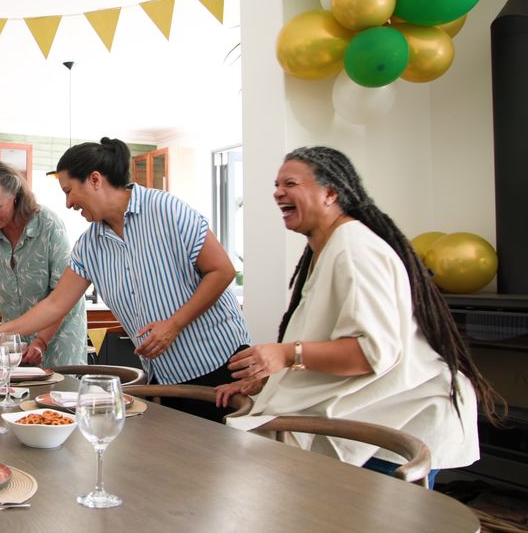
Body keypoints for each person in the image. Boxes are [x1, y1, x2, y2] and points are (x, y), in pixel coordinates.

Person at [215, 146, 502, 487]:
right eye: (276, 184)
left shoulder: (353, 247)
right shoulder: (328, 247)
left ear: (330, 193)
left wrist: (286, 354)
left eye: (290, 183)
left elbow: (369, 353)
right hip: (375, 419)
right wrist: (268, 381)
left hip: (397, 427)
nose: (277, 192)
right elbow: (331, 338)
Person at [0, 138, 250, 421]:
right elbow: (55, 304)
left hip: (220, 362)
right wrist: (0, 332)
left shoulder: (166, 209)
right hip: (167, 375)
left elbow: (222, 270)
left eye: (69, 191)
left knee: (219, 462)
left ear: (94, 180)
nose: (67, 203)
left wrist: (173, 325)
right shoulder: (89, 246)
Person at [0, 160, 86, 367]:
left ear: (15, 195)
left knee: (56, 396)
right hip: (11, 342)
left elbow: (62, 297)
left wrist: (40, 341)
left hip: (59, 341)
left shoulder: (48, 225)